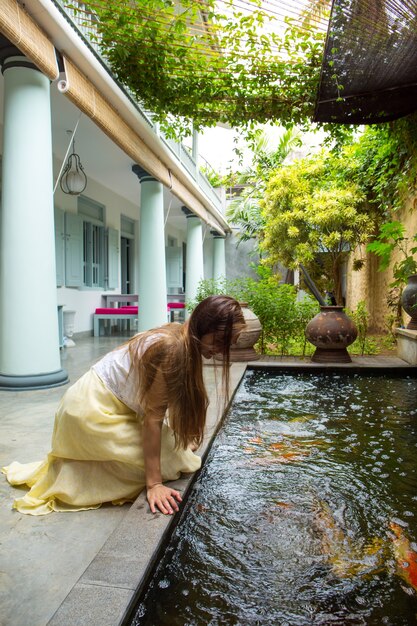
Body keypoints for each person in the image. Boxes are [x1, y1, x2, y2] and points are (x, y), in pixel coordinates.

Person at [2, 296, 245, 516]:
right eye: (222, 341)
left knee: (179, 455)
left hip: (101, 405)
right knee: (173, 464)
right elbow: (153, 418)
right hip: (88, 412)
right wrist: (154, 484)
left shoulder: (181, 335)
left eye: (229, 344)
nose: (223, 350)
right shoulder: (173, 348)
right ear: (206, 327)